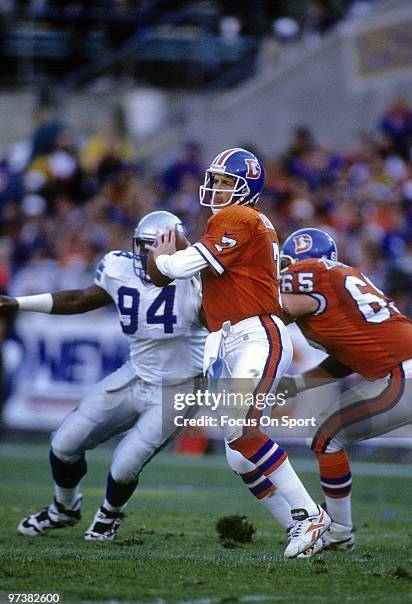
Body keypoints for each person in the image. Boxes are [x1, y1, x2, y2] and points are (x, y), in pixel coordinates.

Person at [148, 147, 331, 558]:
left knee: (244, 431)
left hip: (254, 334)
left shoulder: (239, 217)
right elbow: (205, 292)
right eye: (214, 179)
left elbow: (176, 268)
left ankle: (309, 515)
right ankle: (298, 529)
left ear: (246, 189)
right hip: (229, 338)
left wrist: (163, 258)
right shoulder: (240, 222)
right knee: (238, 454)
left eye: (226, 182)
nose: (215, 188)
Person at [0, 211, 207, 541]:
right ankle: (63, 508)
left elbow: (220, 318)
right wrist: (18, 303)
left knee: (125, 464)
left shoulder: (196, 279)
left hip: (180, 386)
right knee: (64, 444)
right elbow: (80, 299)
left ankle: (109, 515)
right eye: (145, 246)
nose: (151, 255)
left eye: (159, 247)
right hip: (135, 375)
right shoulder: (118, 266)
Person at [278, 227, 412, 554]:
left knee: (328, 437)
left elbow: (274, 312)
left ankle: (339, 532)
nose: (287, 273)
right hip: (403, 371)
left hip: (405, 375)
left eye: (291, 266)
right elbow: (348, 358)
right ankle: (340, 531)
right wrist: (297, 384)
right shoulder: (341, 282)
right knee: (328, 436)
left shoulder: (313, 274)